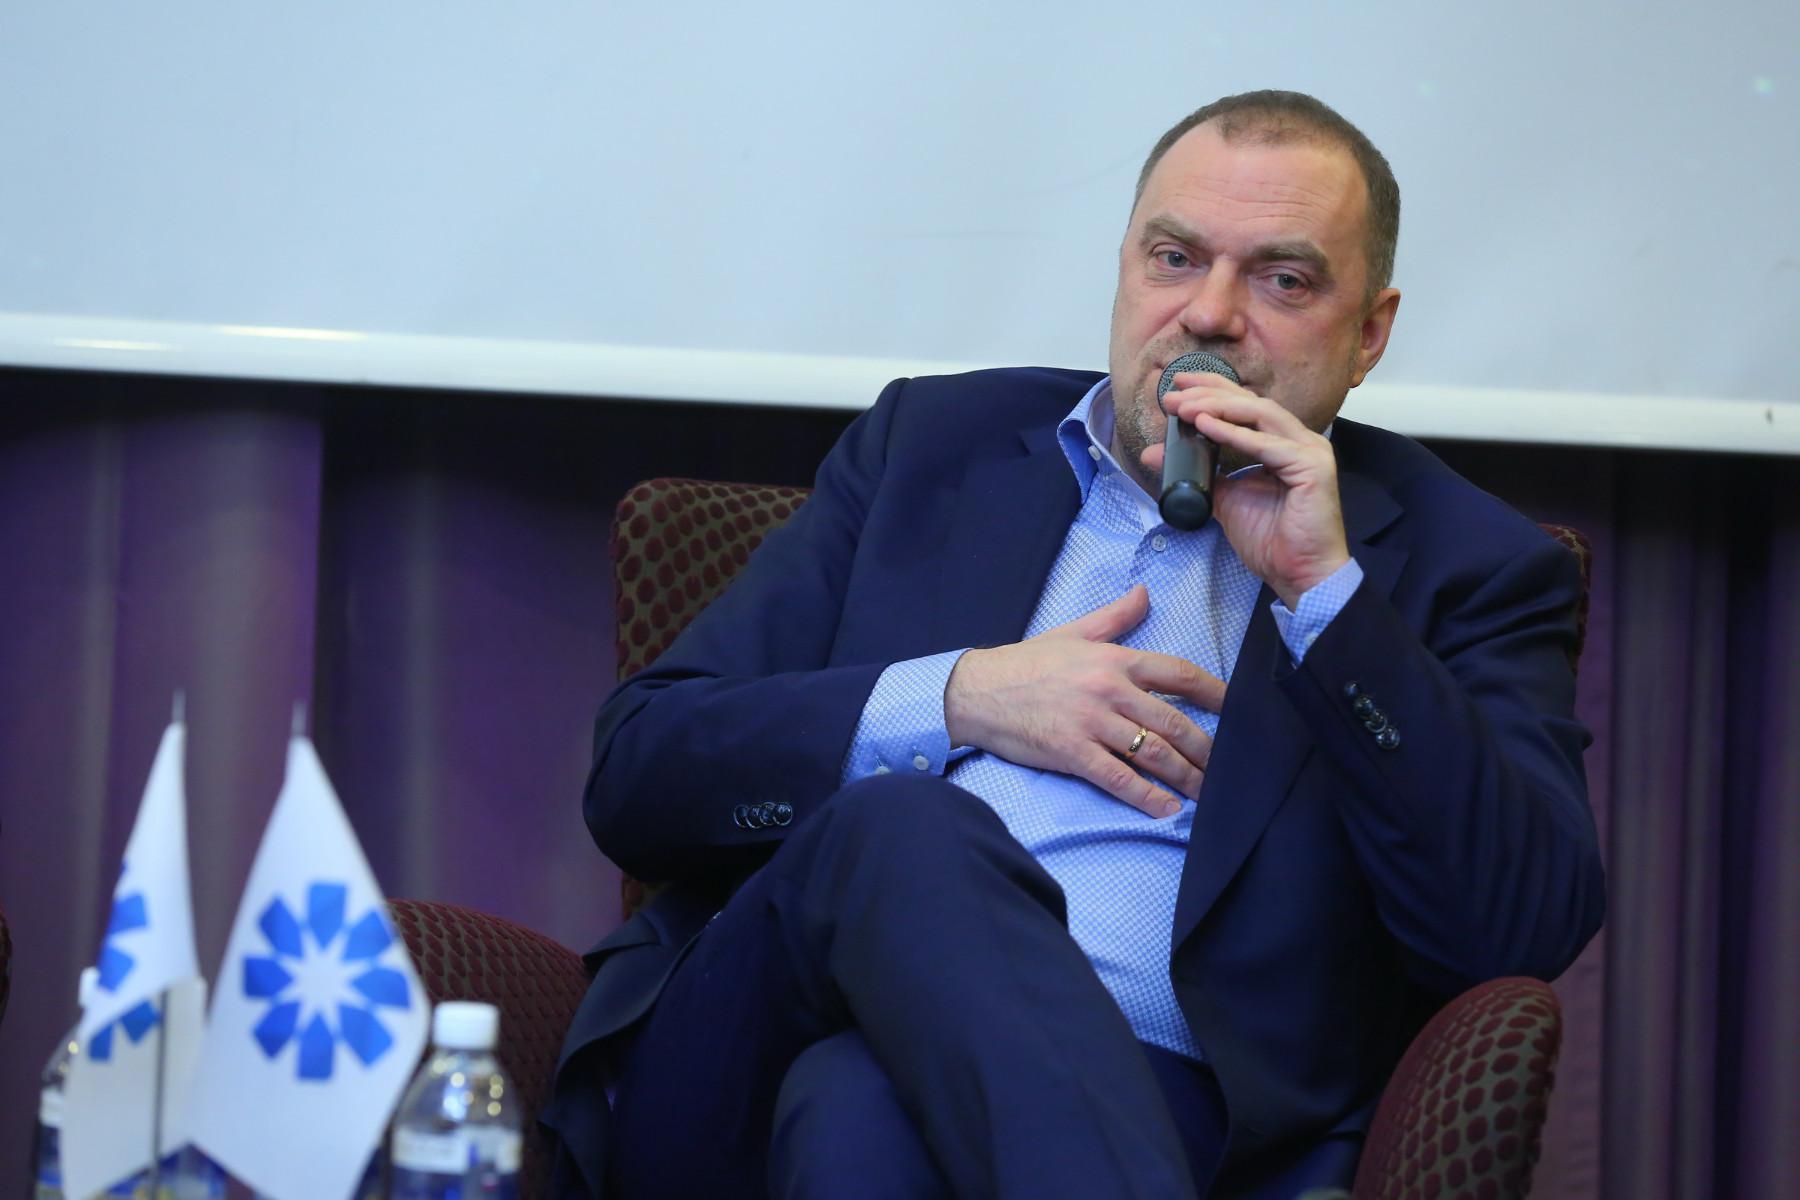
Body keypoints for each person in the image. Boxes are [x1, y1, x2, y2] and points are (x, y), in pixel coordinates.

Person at [543, 90, 1606, 1199]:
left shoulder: (1462, 565)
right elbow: (641, 771)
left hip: (1166, 1109)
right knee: (904, 829)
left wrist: (1324, 599)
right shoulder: (928, 450)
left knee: (861, 1113)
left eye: (1283, 281)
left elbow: (1515, 928)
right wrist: (958, 698)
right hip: (746, 1057)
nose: (1209, 315)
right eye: (1174, 259)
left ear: (1369, 333)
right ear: (1125, 268)